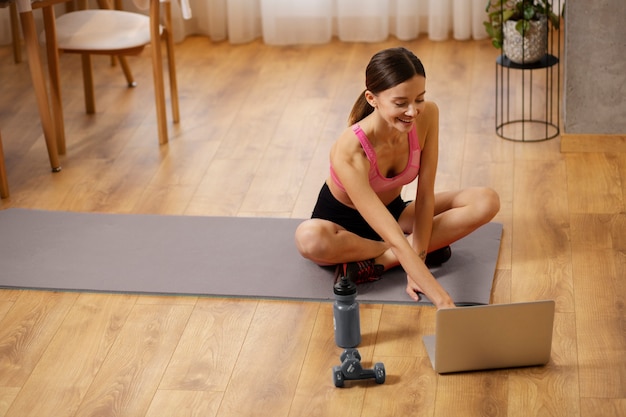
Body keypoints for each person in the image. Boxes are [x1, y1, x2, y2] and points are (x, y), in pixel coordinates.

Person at [294, 47, 500, 309]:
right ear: (372, 98)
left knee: (486, 200)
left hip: (393, 215)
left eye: (419, 99)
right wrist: (442, 299)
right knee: (309, 237)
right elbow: (391, 234)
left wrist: (417, 262)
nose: (413, 111)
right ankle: (400, 252)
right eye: (401, 103)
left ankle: (384, 261)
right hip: (342, 229)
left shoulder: (428, 116)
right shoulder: (350, 149)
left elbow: (425, 196)